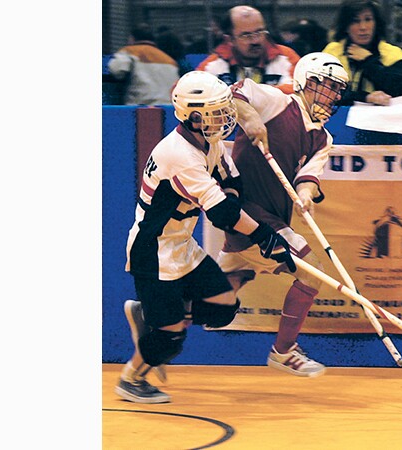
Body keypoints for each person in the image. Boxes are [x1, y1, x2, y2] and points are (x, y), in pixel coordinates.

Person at [115, 71, 297, 404]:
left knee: (223, 308)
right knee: (171, 339)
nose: (225, 117)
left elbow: (232, 182)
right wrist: (266, 236)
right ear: (192, 115)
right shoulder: (179, 155)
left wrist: (236, 204)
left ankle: (150, 314)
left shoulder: (208, 142)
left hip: (182, 245)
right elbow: (223, 214)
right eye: (216, 111)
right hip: (153, 253)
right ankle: (131, 379)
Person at [214, 52, 349, 378]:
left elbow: (309, 176)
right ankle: (283, 352)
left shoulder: (323, 137)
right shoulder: (277, 101)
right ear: (306, 81)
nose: (332, 97)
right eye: (327, 87)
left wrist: (305, 196)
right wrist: (250, 118)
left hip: (272, 218)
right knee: (312, 272)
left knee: (217, 298)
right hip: (250, 213)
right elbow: (235, 93)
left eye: (336, 92)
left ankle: (152, 315)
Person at [323, 0, 402, 106]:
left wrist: (369, 62)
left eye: (368, 19)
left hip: (385, 120)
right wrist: (366, 97)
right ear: (346, 26)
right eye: (355, 21)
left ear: (376, 23)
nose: (363, 27)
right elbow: (322, 92)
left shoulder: (393, 54)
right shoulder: (332, 53)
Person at [196, 5, 301, 94]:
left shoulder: (286, 57)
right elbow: (192, 92)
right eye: (246, 35)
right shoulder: (214, 64)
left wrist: (248, 96)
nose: (255, 41)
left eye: (259, 32)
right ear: (230, 39)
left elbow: (300, 93)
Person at [107, 23, 180, 105]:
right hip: (169, 109)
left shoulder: (130, 51)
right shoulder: (170, 60)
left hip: (141, 108)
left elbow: (117, 70)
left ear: (132, 38)